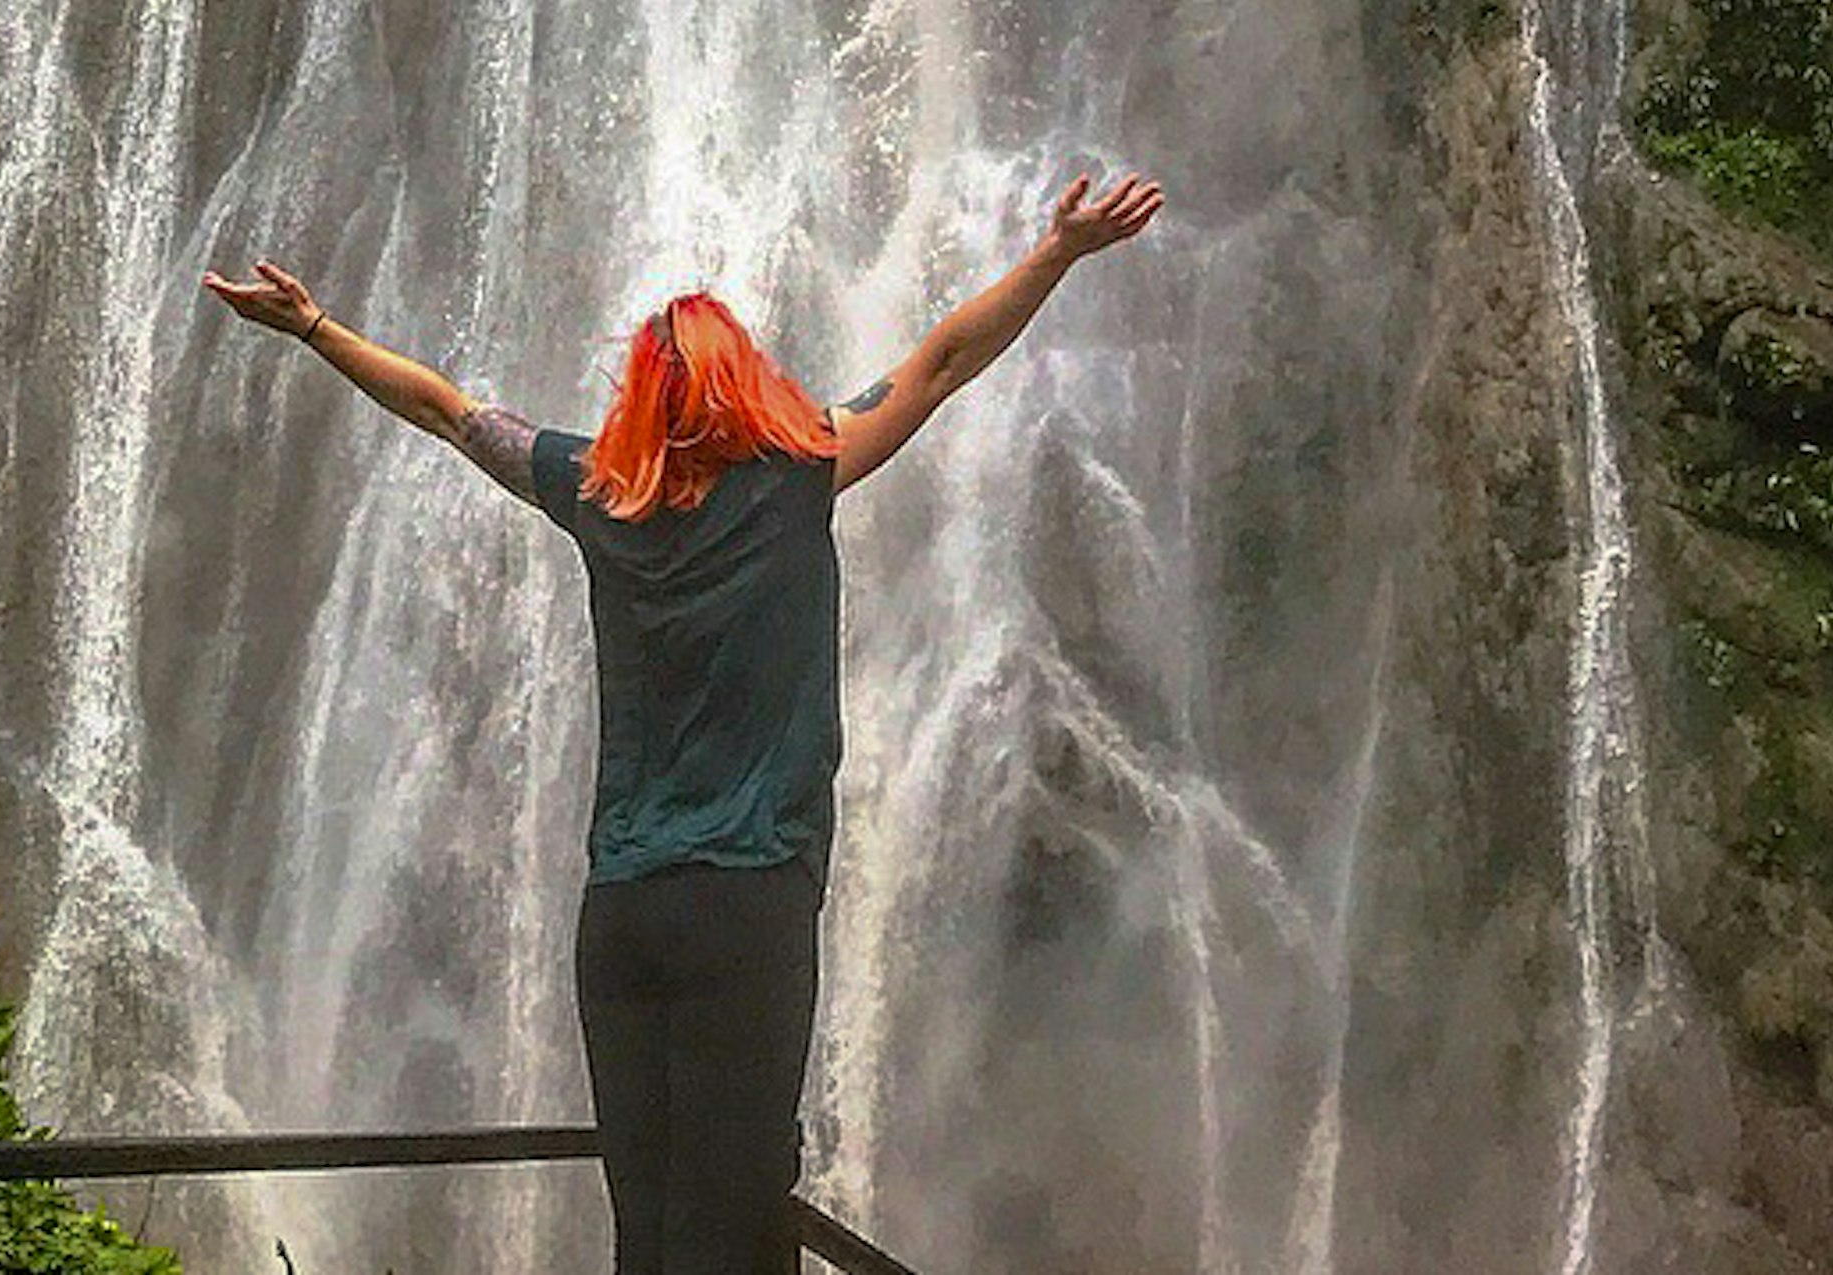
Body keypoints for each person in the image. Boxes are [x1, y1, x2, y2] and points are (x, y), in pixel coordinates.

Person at [204, 175, 1167, 1275]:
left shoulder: (594, 491)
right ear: (746, 384)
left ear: (639, 401)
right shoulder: (802, 469)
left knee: (650, 1232)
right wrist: (1057, 251)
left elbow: (445, 408)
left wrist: (317, 326)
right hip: (745, 904)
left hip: (619, 915)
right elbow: (942, 362)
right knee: (734, 1223)